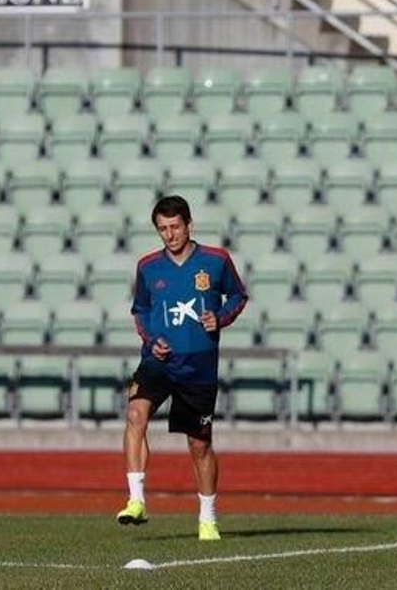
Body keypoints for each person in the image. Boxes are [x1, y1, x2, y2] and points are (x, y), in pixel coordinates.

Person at [116, 195, 248, 541]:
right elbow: (140, 310)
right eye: (162, 229)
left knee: (199, 445)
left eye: (175, 227)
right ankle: (136, 500)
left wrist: (218, 318)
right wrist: (151, 338)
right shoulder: (148, 266)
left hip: (198, 365)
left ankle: (207, 518)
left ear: (190, 225)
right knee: (134, 415)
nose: (169, 235)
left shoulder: (216, 261)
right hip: (158, 360)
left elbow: (238, 296)